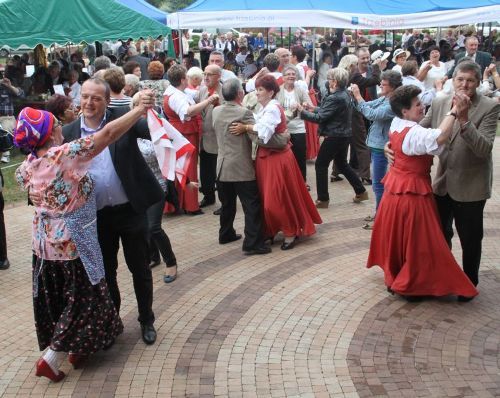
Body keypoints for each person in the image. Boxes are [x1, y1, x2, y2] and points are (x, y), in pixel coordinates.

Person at [14, 90, 154, 381]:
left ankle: (80, 349)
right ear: (49, 133)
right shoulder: (63, 156)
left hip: (43, 247)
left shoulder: (26, 167)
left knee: (64, 298)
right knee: (81, 301)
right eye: (54, 124)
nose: (59, 126)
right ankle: (52, 358)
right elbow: (108, 134)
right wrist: (138, 109)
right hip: (71, 244)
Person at [62, 78, 162, 345]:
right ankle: (112, 321)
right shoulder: (70, 131)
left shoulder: (122, 120)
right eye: (85, 97)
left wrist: (148, 106)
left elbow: (153, 129)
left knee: (140, 268)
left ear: (107, 100)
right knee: (106, 273)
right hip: (96, 217)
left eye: (96, 98)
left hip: (130, 211)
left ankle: (146, 320)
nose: (89, 103)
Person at [367, 85, 478, 301]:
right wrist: (454, 111)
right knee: (421, 241)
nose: (422, 106)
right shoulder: (413, 131)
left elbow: (403, 140)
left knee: (401, 237)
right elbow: (439, 137)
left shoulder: (398, 123)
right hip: (411, 194)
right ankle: (411, 282)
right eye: (417, 105)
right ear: (405, 112)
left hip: (395, 192)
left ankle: (398, 274)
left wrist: (390, 146)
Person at [419, 61, 500, 290]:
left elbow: (483, 149)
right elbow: (420, 131)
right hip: (442, 183)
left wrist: (464, 119)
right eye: (460, 80)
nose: (465, 85)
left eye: (471, 80)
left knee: (470, 239)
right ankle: (443, 277)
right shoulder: (439, 101)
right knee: (440, 236)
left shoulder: (489, 107)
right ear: (452, 80)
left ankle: (469, 283)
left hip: (471, 186)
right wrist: (393, 141)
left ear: (478, 82)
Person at [230, 75, 322, 250]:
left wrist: (247, 127)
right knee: (268, 198)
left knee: (277, 199)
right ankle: (273, 230)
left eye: (261, 90)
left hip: (277, 159)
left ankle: (289, 231)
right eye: (256, 89)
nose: (257, 93)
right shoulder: (266, 107)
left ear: (271, 92)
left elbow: (264, 132)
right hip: (267, 159)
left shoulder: (272, 107)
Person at [212, 79, 276, 255]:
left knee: (227, 204)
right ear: (240, 94)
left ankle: (225, 233)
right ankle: (252, 242)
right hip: (241, 167)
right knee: (251, 205)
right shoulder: (244, 112)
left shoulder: (216, 111)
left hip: (222, 165)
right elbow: (258, 136)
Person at [299, 68, 368, 208]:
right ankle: (361, 191)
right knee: (342, 164)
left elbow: (320, 118)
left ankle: (323, 199)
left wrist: (302, 111)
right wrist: (313, 108)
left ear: (334, 82)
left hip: (334, 136)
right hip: (344, 135)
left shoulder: (335, 97)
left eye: (329, 79)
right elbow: (329, 112)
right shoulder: (344, 94)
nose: (327, 81)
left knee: (321, 165)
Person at [163, 64, 219, 215]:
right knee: (188, 168)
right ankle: (190, 205)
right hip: (184, 134)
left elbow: (193, 95)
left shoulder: (177, 92)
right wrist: (208, 101)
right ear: (183, 80)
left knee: (185, 167)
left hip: (184, 133)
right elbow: (188, 111)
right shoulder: (175, 96)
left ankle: (183, 203)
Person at [350, 70, 400, 229]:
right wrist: (353, 98)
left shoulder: (393, 103)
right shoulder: (385, 98)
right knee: (379, 184)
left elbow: (371, 114)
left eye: (383, 84)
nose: (380, 85)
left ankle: (381, 216)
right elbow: (365, 106)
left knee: (379, 184)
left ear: (392, 87)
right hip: (378, 145)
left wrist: (358, 97)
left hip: (382, 147)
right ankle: (380, 212)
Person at [350, 48, 386, 184]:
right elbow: (374, 80)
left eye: (367, 58)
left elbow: (378, 82)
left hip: (369, 107)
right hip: (356, 110)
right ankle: (362, 173)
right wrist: (377, 66)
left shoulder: (370, 70)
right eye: (363, 58)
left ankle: (352, 166)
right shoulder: (355, 73)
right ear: (357, 59)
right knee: (360, 141)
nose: (366, 61)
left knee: (359, 139)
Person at [276, 64, 312, 181]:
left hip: (298, 129)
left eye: (293, 74)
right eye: (288, 74)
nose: (291, 76)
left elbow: (310, 106)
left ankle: (302, 181)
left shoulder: (300, 90)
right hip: (283, 130)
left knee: (300, 157)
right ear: (283, 77)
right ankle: (287, 181)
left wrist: (304, 106)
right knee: (284, 158)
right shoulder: (277, 91)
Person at [198, 65, 223, 209]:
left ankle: (224, 203)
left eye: (210, 74)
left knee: (219, 173)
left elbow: (227, 111)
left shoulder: (224, 91)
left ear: (218, 76)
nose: (206, 77)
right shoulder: (202, 90)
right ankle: (208, 196)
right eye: (204, 74)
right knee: (205, 171)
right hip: (204, 139)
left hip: (218, 139)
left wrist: (218, 104)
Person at [0, 72, 24, 163]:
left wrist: (10, 86)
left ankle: (6, 154)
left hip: (7, 118)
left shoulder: (7, 88)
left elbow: (21, 94)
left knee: (4, 128)